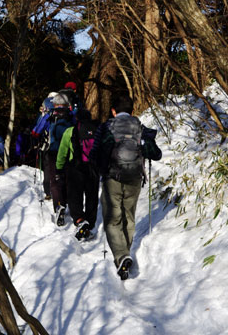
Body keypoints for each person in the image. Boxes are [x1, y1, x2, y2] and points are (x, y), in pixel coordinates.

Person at [90, 95, 161, 280]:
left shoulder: (107, 127)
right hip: (135, 178)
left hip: (112, 178)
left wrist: (101, 169)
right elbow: (156, 154)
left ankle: (122, 256)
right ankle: (125, 253)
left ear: (113, 111)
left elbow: (94, 153)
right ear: (132, 110)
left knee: (113, 220)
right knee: (128, 217)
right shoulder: (139, 126)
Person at [56, 109, 100, 241]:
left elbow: (62, 152)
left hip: (75, 167)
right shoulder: (97, 130)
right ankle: (90, 224)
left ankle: (80, 220)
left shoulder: (70, 132)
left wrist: (59, 168)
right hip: (93, 168)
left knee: (75, 195)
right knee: (91, 196)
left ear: (77, 119)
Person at [47, 92, 74, 226]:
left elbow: (40, 129)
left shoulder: (51, 116)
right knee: (67, 178)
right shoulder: (72, 116)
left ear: (56, 104)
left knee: (54, 181)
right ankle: (67, 201)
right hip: (69, 152)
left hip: (54, 152)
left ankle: (59, 206)